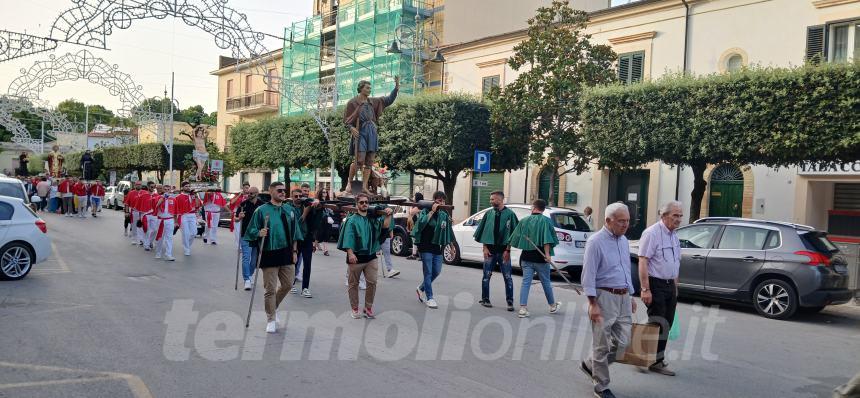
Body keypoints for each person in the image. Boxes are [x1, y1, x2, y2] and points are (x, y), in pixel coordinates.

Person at [580, 202, 638, 398]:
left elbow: (624, 269)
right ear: (608, 221)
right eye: (621, 221)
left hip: (623, 298)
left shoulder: (623, 240)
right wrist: (592, 304)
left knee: (624, 343)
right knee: (601, 344)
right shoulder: (595, 242)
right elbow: (588, 275)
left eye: (628, 221)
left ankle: (590, 364)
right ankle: (601, 386)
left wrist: (630, 294)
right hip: (604, 297)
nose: (625, 225)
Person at [243, 181, 303, 334]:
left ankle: (272, 307)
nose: (283, 192)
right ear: (271, 192)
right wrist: (258, 233)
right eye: (279, 190)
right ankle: (271, 318)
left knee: (288, 284)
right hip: (268, 252)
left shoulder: (290, 210)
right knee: (270, 289)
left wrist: (295, 252)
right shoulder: (261, 211)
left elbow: (296, 233)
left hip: (287, 252)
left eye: (284, 190)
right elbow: (250, 231)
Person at [637, 201, 683, 377]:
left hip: (669, 285)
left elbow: (675, 263)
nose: (678, 219)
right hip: (655, 284)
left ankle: (656, 360)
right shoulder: (651, 233)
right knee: (657, 321)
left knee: (667, 323)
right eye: (675, 215)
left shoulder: (674, 236)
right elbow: (643, 261)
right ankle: (641, 355)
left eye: (680, 216)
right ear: (664, 216)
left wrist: (675, 287)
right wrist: (645, 289)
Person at [337, 192, 394, 319]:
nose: (364, 204)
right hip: (355, 257)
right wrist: (350, 253)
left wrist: (388, 214)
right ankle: (355, 308)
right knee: (353, 284)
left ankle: (368, 308)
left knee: (372, 282)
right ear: (357, 204)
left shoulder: (372, 218)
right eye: (361, 202)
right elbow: (348, 237)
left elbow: (385, 225)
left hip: (371, 256)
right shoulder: (351, 220)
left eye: (366, 202)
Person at [343, 76, 399, 193]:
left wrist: (396, 88)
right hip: (361, 131)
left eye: (370, 88)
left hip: (372, 132)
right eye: (367, 88)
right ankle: (349, 184)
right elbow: (347, 120)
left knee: (369, 161)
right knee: (359, 160)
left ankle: (363, 186)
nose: (369, 90)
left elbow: (388, 100)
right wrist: (351, 127)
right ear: (361, 89)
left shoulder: (374, 101)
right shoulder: (352, 102)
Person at [508, 199, 560, 317]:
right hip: (541, 258)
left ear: (534, 207)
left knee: (526, 283)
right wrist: (547, 255)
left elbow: (514, 237)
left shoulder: (524, 221)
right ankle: (552, 306)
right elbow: (547, 239)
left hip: (526, 257)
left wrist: (508, 249)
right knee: (546, 282)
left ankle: (522, 308)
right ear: (543, 209)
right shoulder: (546, 221)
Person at [474, 191, 519, 311]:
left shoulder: (510, 214)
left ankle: (510, 302)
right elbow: (484, 231)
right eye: (491, 199)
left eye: (493, 199)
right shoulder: (489, 213)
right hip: (490, 251)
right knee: (486, 276)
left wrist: (508, 250)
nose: (491, 201)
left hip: (504, 251)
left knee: (508, 277)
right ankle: (485, 299)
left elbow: (513, 234)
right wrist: (485, 247)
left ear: (500, 199)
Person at [411, 191, 454, 309]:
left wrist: (451, 246)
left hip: (436, 246)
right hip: (425, 246)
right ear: (434, 201)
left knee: (437, 271)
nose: (441, 203)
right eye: (439, 200)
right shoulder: (425, 211)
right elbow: (421, 224)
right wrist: (432, 211)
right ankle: (430, 298)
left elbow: (447, 231)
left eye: (443, 200)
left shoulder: (444, 215)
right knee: (428, 272)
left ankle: (421, 288)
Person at [235, 187, 263, 290]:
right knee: (246, 257)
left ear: (257, 193)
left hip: (257, 235)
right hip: (246, 235)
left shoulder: (262, 205)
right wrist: (240, 217)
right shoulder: (243, 204)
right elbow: (236, 219)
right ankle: (246, 279)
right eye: (248, 193)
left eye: (252, 193)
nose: (249, 195)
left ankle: (250, 275)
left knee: (254, 260)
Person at [174, 182, 200, 256]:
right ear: (182, 188)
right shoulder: (178, 197)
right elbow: (175, 210)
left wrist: (196, 196)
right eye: (186, 186)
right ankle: (187, 249)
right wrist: (175, 221)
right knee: (186, 234)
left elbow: (197, 205)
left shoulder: (193, 196)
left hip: (192, 215)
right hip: (183, 216)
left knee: (194, 233)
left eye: (189, 186)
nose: (188, 187)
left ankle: (186, 245)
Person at [152, 188, 178, 261]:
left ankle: (168, 254)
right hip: (160, 220)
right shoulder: (158, 197)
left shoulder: (173, 199)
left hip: (170, 220)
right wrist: (163, 197)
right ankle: (158, 253)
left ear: (170, 190)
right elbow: (156, 205)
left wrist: (176, 222)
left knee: (169, 238)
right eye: (165, 189)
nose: (167, 190)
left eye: (168, 189)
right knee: (160, 237)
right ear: (163, 190)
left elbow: (175, 212)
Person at [134, 183, 155, 250]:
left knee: (155, 230)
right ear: (148, 187)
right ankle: (146, 245)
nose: (153, 188)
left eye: (154, 187)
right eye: (151, 187)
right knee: (147, 230)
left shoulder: (156, 195)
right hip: (145, 215)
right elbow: (139, 207)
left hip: (154, 215)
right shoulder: (142, 196)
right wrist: (139, 218)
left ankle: (150, 242)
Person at [229, 182, 250, 249]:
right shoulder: (238, 195)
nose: (247, 189)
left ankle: (244, 244)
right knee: (238, 231)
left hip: (246, 215)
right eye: (246, 188)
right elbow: (232, 202)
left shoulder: (249, 196)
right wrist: (239, 195)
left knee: (245, 231)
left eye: (248, 188)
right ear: (243, 188)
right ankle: (239, 246)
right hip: (237, 215)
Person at [405, 192, 424, 260]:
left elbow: (412, 212)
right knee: (416, 239)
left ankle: (417, 255)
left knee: (417, 239)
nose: (413, 198)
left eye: (414, 196)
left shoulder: (418, 206)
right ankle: (415, 254)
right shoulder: (421, 205)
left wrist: (411, 205)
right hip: (418, 224)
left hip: (419, 225)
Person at [145, 185, 163, 250]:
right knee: (149, 230)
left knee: (155, 230)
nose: (160, 189)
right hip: (152, 215)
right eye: (158, 188)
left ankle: (151, 242)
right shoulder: (154, 195)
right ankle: (147, 244)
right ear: (156, 189)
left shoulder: (165, 195)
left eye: (161, 188)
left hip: (161, 217)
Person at [315, 187, 332, 255]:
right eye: (323, 192)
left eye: (325, 192)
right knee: (320, 234)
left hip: (327, 220)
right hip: (321, 220)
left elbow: (331, 211)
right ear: (320, 193)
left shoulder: (328, 201)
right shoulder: (318, 200)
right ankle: (316, 246)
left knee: (326, 234)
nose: (325, 193)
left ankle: (325, 250)